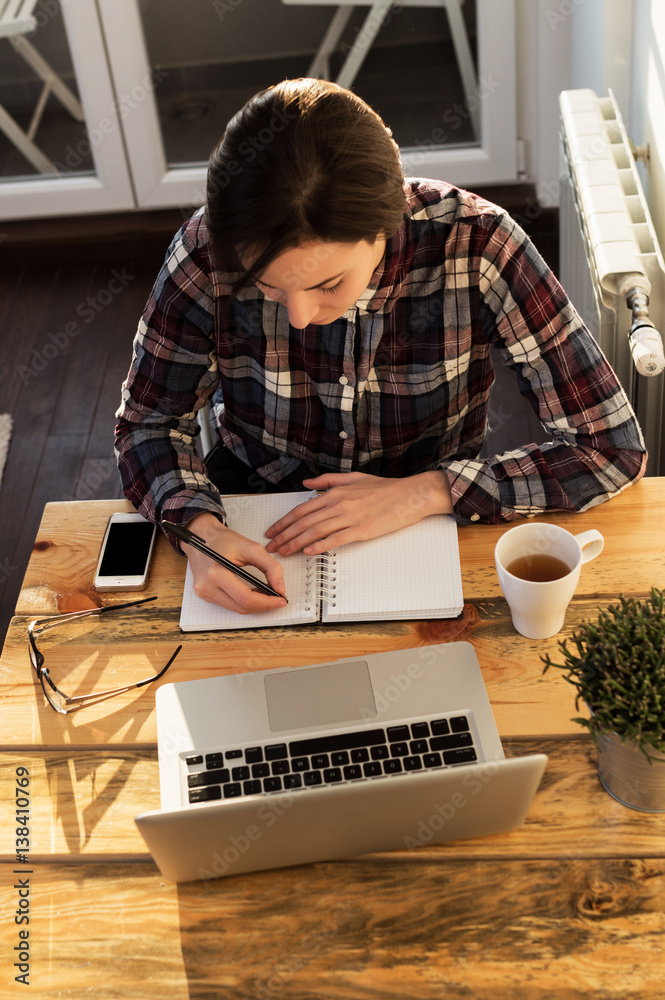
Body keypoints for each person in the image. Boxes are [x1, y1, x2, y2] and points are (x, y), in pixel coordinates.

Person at [115, 77, 647, 616]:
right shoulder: (204, 253)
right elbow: (146, 424)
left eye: (327, 285)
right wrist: (198, 531)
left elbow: (610, 448)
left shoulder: (480, 245)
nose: (298, 317)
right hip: (252, 498)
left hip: (430, 516)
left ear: (388, 223)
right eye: (268, 287)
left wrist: (426, 493)